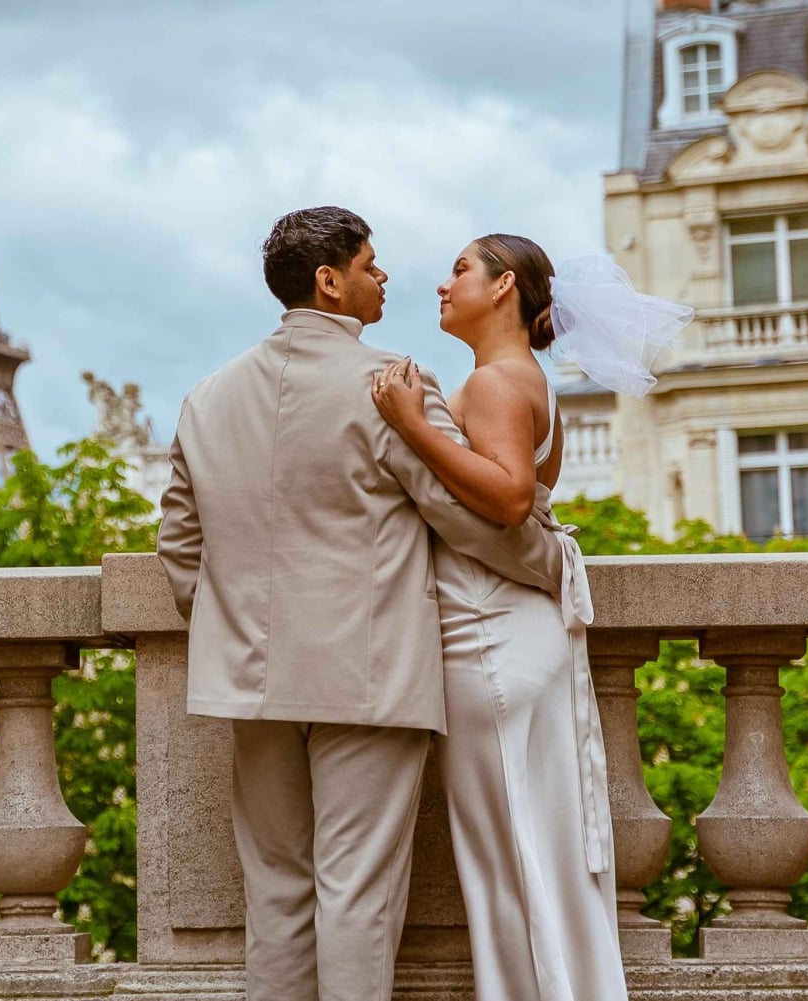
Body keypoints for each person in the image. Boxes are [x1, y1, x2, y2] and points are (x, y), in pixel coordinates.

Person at [156, 208, 568, 1001]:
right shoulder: (391, 385)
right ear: (330, 281)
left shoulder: (207, 397)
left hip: (247, 679)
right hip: (368, 680)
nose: (385, 278)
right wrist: (557, 563)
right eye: (371, 265)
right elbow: (464, 520)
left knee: (276, 895)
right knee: (358, 898)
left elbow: (179, 544)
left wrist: (233, 625)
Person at [371, 235, 688, 1001]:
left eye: (459, 270)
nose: (442, 286)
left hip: (492, 641)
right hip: (521, 635)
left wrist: (413, 427)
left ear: (503, 286)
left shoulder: (492, 384)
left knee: (511, 865)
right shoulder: (530, 381)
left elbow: (512, 499)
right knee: (537, 858)